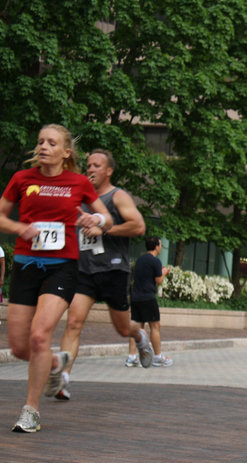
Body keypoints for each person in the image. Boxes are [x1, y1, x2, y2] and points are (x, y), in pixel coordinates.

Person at [0, 124, 112, 432]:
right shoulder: (22, 179)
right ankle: (54, 362)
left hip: (62, 266)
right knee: (21, 348)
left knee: (39, 336)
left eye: (51, 142)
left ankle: (30, 410)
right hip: (25, 265)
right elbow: (0, 215)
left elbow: (106, 216)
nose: (44, 146)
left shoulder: (77, 182)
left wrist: (95, 220)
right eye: (40, 142)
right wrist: (18, 228)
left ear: (66, 152)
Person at [57, 149, 153, 400]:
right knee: (73, 322)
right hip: (84, 270)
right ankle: (63, 379)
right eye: (88, 165)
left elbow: (139, 226)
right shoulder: (80, 198)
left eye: (96, 165)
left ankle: (139, 335)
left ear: (109, 170)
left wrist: (104, 230)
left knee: (122, 329)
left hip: (112, 269)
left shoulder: (117, 196)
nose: (90, 169)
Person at [126, 236, 171, 367]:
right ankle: (157, 356)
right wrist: (164, 272)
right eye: (160, 245)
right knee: (155, 327)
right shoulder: (155, 261)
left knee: (137, 328)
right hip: (148, 298)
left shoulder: (139, 259)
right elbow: (159, 281)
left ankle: (132, 357)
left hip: (136, 298)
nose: (161, 247)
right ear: (156, 246)